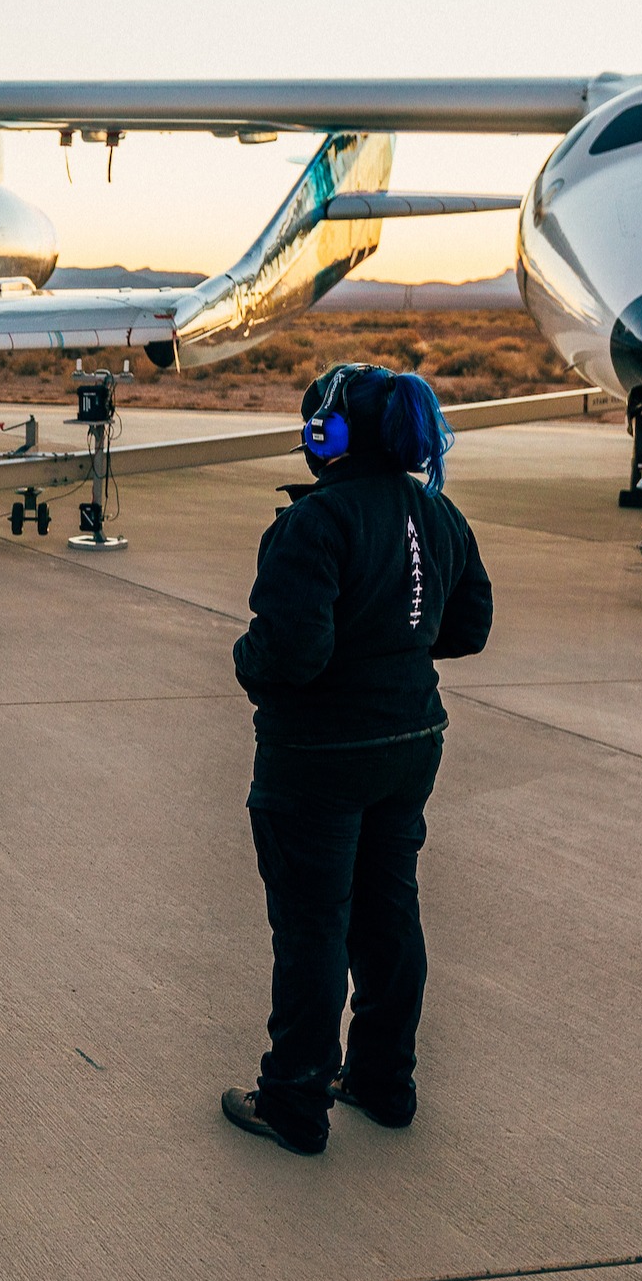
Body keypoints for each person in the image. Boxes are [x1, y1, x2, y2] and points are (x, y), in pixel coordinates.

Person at [221, 363, 493, 1157]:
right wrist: (396, 642)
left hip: (318, 757)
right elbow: (467, 627)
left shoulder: (316, 522)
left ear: (330, 434)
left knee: (312, 929)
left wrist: (246, 657)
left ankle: (295, 1101)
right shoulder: (439, 514)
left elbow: (291, 652)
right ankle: (383, 1080)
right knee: (388, 916)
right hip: (410, 744)